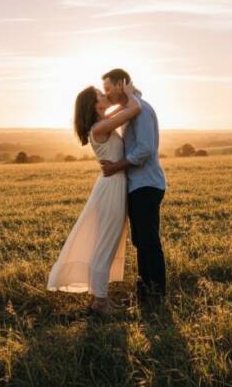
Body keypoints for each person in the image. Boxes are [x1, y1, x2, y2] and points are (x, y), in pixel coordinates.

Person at [47, 79, 140, 314]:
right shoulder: (100, 128)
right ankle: (100, 301)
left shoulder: (102, 123)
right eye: (100, 94)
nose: (104, 95)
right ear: (94, 105)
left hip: (112, 185)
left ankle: (100, 297)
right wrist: (130, 94)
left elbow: (121, 110)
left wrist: (124, 97)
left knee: (107, 242)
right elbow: (134, 110)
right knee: (106, 244)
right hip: (111, 188)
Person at [99, 68, 167, 305]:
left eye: (109, 88)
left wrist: (117, 166)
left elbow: (145, 150)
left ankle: (155, 295)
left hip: (147, 184)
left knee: (148, 241)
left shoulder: (142, 111)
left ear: (121, 84)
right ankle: (145, 293)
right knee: (141, 240)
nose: (107, 95)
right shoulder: (132, 109)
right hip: (138, 185)